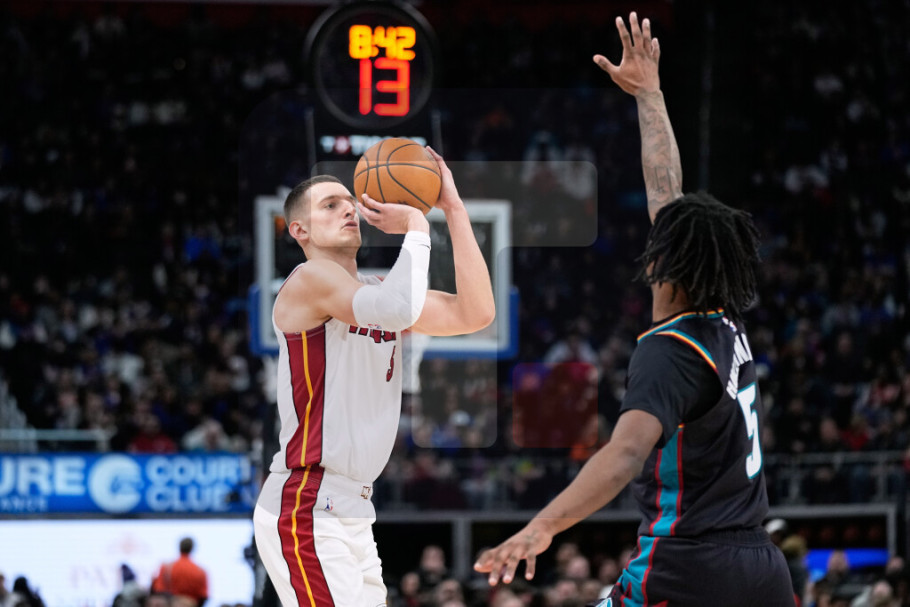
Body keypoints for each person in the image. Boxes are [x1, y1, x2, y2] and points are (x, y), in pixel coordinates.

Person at [474, 11, 795, 607]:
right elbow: (666, 192)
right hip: (761, 568)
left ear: (662, 263)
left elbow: (624, 454)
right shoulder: (724, 324)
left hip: (688, 566)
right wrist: (650, 94)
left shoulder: (669, 351)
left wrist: (542, 526)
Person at [253, 147, 495, 606]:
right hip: (308, 498)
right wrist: (418, 225)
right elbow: (397, 310)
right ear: (300, 230)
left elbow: (476, 312)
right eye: (330, 205)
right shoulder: (308, 280)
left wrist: (453, 209)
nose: (348, 209)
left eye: (350, 201)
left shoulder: (376, 291)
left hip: (354, 505)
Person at [151, 537, 208, 607]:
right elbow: (203, 596)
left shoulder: (166, 567)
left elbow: (159, 589)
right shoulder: (200, 571)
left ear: (179, 547)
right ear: (192, 549)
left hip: (171, 603)